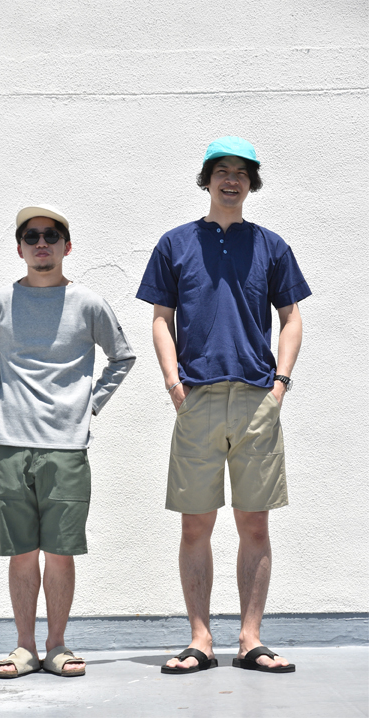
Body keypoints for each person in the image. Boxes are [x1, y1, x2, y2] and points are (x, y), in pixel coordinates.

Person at [136, 136, 311, 675]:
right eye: (222, 171)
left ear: (251, 183)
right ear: (207, 179)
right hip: (198, 398)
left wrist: (280, 385)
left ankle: (250, 640)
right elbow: (161, 318)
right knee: (195, 526)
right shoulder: (175, 243)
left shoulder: (271, 246)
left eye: (241, 172)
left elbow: (291, 318)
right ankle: (201, 640)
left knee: (254, 524)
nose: (231, 180)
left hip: (257, 398)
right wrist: (173, 383)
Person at [0, 204, 135, 679]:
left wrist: (90, 405)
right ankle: (24, 647)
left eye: (50, 236)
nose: (41, 243)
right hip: (12, 446)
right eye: (31, 236)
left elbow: (122, 357)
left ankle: (56, 646)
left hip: (67, 448)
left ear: (66, 247)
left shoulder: (88, 303)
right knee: (21, 552)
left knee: (59, 551)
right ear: (19, 248)